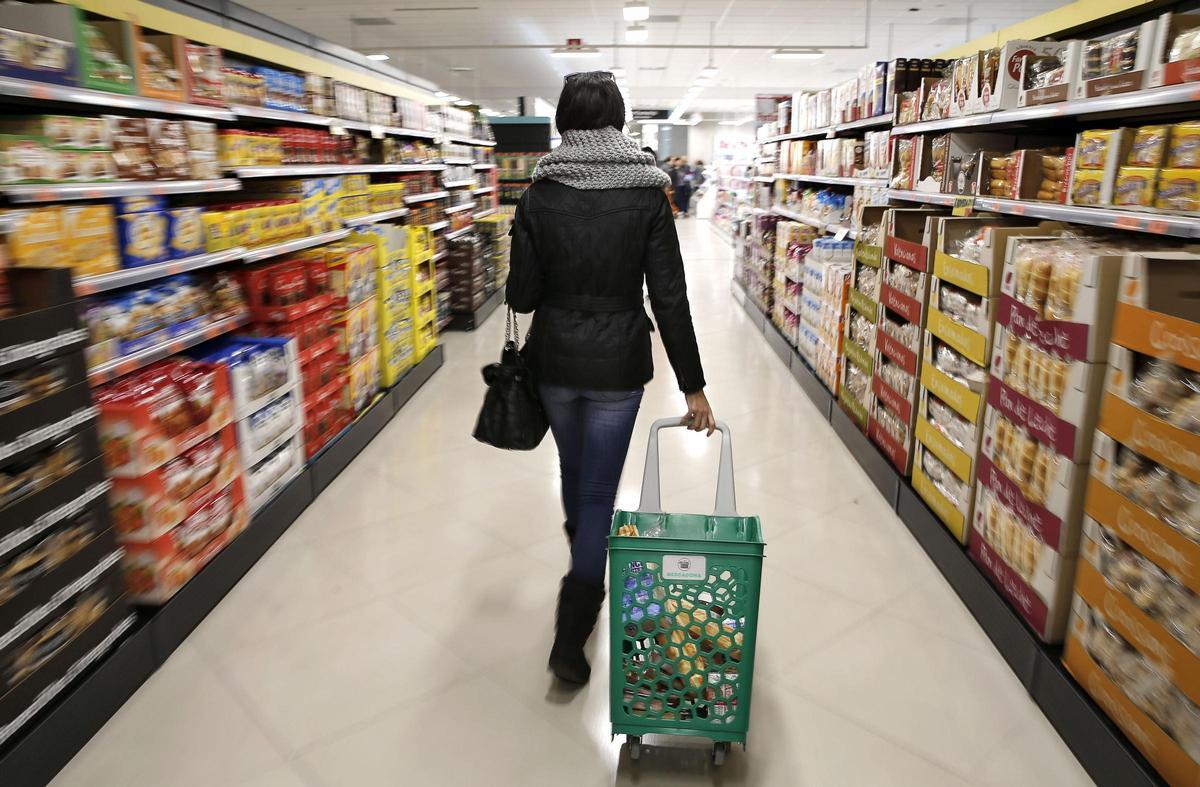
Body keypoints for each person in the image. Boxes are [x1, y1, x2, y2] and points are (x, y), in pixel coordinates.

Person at [506, 71, 715, 686]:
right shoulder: (649, 190)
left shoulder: (538, 192)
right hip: (619, 361)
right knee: (598, 491)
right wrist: (693, 385)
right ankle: (571, 631)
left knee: (576, 477)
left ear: (563, 123)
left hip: (554, 359)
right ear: (619, 121)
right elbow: (670, 297)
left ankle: (582, 566)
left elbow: (520, 294)